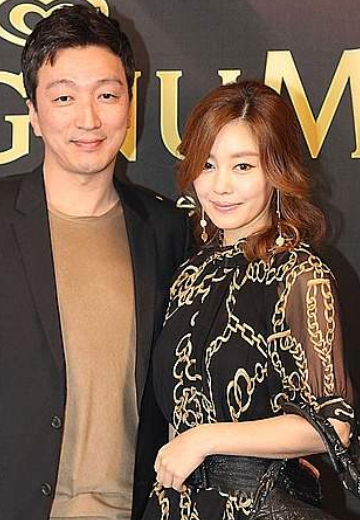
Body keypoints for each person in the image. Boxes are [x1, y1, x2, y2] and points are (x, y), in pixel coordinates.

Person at [0, 5, 189, 520]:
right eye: (64, 97)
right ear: (34, 114)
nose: (88, 119)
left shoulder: (168, 230)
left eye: (107, 94)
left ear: (131, 103)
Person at [141, 80, 356, 520]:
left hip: (255, 506)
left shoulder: (299, 274)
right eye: (207, 165)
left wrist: (205, 439)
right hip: (175, 505)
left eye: (242, 166)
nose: (220, 186)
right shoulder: (190, 273)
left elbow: (332, 425)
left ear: (276, 170)